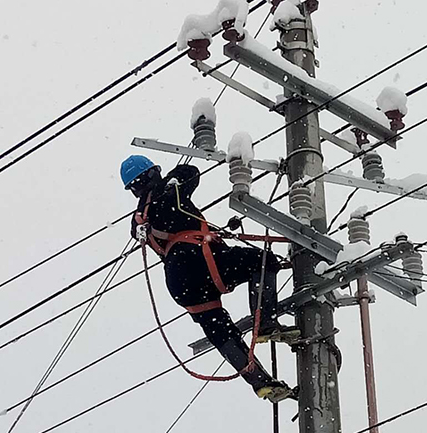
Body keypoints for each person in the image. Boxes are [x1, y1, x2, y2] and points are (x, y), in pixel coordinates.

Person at [120, 154, 296, 403]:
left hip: (180, 281)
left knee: (220, 329)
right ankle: (265, 322)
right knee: (264, 261)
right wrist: (173, 179)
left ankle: (260, 381)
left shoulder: (139, 217)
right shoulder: (165, 191)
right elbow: (190, 172)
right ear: (152, 173)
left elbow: (139, 229)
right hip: (197, 257)